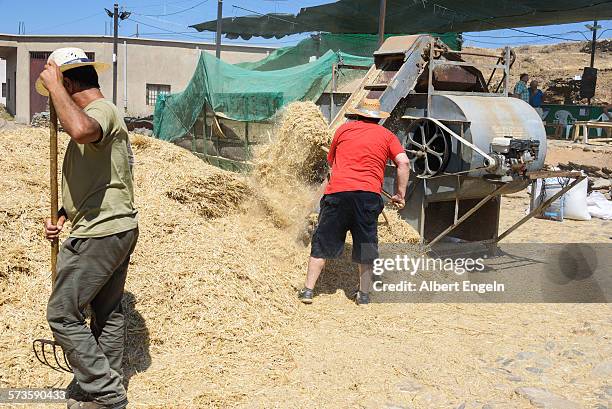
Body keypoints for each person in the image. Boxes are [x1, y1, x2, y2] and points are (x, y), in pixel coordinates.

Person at [38, 48, 138, 409]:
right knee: (107, 312)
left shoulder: (101, 112)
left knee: (62, 313)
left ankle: (107, 392)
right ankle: (102, 387)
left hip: (102, 232)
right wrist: (66, 213)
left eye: (55, 89)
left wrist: (54, 88)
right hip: (113, 226)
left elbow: (79, 130)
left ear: (66, 82)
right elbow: (102, 178)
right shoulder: (101, 116)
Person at [298, 98, 410, 305]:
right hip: (367, 197)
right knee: (366, 245)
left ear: (357, 114)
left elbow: (331, 162)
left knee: (322, 241)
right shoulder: (387, 136)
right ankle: (364, 295)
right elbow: (403, 162)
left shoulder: (343, 130)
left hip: (338, 194)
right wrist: (399, 194)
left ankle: (308, 291)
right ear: (377, 119)